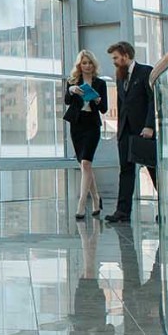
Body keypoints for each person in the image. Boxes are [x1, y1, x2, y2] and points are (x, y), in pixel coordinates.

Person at [104, 41, 158, 224]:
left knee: (153, 170)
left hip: (144, 131)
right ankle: (122, 211)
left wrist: (150, 126)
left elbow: (153, 101)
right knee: (126, 171)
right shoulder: (120, 77)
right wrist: (119, 132)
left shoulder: (145, 72)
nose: (114, 62)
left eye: (116, 58)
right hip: (125, 132)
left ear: (126, 55)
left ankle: (166, 207)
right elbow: (122, 105)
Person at [64, 49, 108, 219]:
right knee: (84, 166)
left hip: (92, 125)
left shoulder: (100, 84)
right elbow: (67, 101)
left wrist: (98, 100)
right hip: (77, 124)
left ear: (93, 65)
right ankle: (96, 198)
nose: (87, 66)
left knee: (86, 163)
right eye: (84, 63)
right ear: (79, 65)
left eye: (90, 63)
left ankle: (82, 203)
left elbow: (104, 109)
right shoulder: (73, 81)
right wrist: (71, 90)